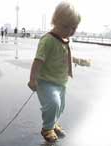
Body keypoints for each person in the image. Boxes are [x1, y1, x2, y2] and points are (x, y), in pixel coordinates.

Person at [28, 1, 90, 143]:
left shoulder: (65, 40)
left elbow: (66, 57)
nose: (71, 31)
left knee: (61, 106)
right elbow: (38, 61)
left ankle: (53, 123)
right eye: (67, 27)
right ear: (55, 22)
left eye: (74, 27)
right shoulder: (48, 40)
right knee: (53, 103)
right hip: (45, 81)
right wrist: (32, 79)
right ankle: (47, 128)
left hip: (61, 82)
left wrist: (80, 61)